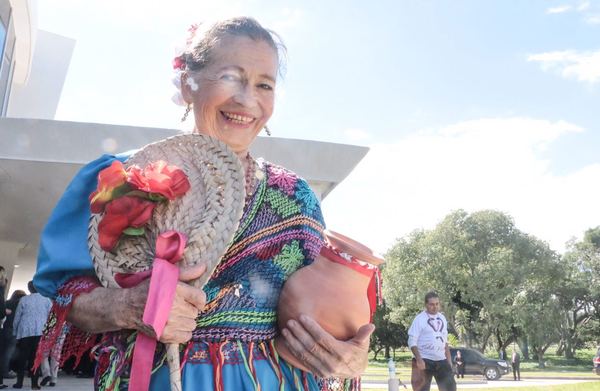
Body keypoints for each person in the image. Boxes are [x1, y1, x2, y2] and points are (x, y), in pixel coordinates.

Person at [32, 17, 373, 391]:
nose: (247, 99)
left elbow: (328, 315)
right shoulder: (124, 176)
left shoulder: (296, 196)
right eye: (231, 77)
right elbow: (66, 290)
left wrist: (350, 355)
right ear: (187, 84)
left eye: (264, 84)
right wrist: (129, 305)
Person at [408, 291, 456, 391]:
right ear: (426, 305)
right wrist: (419, 359)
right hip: (424, 359)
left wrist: (449, 361)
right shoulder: (420, 319)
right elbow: (412, 341)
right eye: (431, 304)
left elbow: (444, 341)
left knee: (450, 388)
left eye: (437, 304)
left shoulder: (442, 318)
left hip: (441, 359)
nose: (435, 307)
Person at [12, 281, 51, 389]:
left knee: (22, 358)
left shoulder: (24, 300)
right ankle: (34, 384)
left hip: (25, 332)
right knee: (35, 358)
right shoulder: (46, 300)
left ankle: (19, 383)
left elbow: (17, 317)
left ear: (29, 289)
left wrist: (15, 332)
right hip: (40, 332)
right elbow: (50, 317)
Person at [0, 290, 26, 389]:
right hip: (14, 330)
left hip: (4, 328)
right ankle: (5, 371)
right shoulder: (21, 303)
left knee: (3, 352)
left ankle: (4, 371)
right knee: (8, 353)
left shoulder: (6, 302)